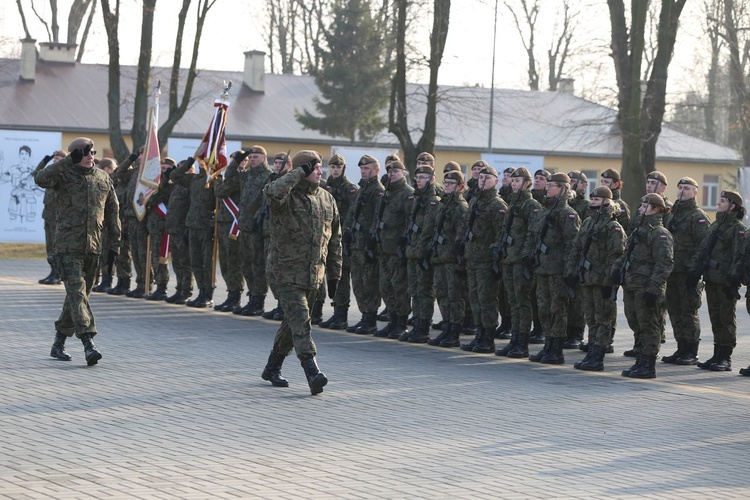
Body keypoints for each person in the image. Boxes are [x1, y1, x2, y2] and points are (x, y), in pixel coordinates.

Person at [260, 150, 342, 396]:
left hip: (313, 274)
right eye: (314, 168)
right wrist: (296, 172)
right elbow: (271, 192)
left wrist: (335, 274)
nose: (320, 171)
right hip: (285, 272)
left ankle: (272, 367)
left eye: (319, 167)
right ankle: (312, 371)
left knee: (293, 322)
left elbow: (336, 238)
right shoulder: (285, 197)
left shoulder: (327, 198)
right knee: (302, 321)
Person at [33, 137, 120, 365]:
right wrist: (65, 162)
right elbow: (40, 178)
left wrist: (115, 245)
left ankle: (58, 343)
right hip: (67, 247)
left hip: (93, 247)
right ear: (76, 155)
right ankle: (88, 343)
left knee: (77, 297)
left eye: (92, 151)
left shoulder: (103, 178)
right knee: (77, 294)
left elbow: (113, 213)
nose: (91, 155)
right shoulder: (63, 175)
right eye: (86, 152)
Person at [522, 173, 581, 364]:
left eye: (552, 186)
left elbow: (573, 245)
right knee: (544, 309)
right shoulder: (543, 211)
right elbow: (532, 235)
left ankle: (556, 349)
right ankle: (548, 345)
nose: (547, 188)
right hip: (542, 268)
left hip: (558, 270)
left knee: (557, 310)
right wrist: (528, 256)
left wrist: (569, 270)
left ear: (563, 189)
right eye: (547, 185)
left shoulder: (568, 214)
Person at [565, 186, 625, 371]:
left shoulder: (613, 227)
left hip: (601, 281)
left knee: (602, 318)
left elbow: (615, 256)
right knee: (590, 317)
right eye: (592, 199)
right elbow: (577, 248)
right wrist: (572, 271)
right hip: (587, 278)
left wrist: (609, 282)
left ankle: (598, 355)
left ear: (607, 201)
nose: (593, 202)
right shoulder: (589, 222)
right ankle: (591, 351)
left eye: (597, 200)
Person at [614, 193, 673, 379]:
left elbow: (665, 263)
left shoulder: (660, 233)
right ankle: (640, 359)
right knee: (636, 322)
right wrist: (617, 271)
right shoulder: (639, 230)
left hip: (646, 287)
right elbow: (627, 253)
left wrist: (653, 288)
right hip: (632, 284)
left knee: (649, 325)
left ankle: (648, 363)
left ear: (655, 209)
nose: (640, 209)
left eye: (644, 206)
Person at [688, 190, 746, 372]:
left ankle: (725, 357)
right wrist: (694, 273)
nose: (718, 204)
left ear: (733, 206)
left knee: (726, 318)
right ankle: (717, 353)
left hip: (725, 281)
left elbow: (739, 256)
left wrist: (733, 280)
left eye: (722, 201)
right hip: (712, 279)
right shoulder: (716, 226)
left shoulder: (737, 228)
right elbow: (703, 250)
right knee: (715, 317)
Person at [661, 177, 710, 365]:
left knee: (688, 312)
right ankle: (681, 348)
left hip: (688, 273)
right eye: (680, 187)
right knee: (674, 310)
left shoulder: (697, 216)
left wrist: (695, 272)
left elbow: (703, 247)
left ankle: (691, 350)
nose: (682, 191)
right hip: (672, 271)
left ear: (695, 192)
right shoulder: (673, 214)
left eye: (687, 188)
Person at [328, 154, 380, 332]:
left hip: (366, 244)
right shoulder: (363, 189)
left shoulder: (374, 191)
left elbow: (377, 218)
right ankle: (353, 315)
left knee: (367, 282)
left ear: (376, 169)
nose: (363, 171)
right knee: (356, 282)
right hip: (352, 241)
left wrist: (371, 242)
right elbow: (352, 214)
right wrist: (348, 232)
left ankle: (369, 319)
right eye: (362, 168)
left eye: (367, 168)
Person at [494, 167, 542, 358]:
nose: (514, 184)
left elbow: (532, 234)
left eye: (517, 181)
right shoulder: (512, 204)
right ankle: (514, 340)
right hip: (509, 259)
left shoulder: (531, 206)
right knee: (513, 302)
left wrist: (526, 256)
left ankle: (522, 343)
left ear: (527, 183)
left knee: (522, 301)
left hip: (520, 260)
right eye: (512, 181)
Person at [459, 166, 507, 354]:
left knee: (487, 299)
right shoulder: (475, 201)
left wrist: (495, 258)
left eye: (487, 178)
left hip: (486, 260)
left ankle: (488, 337)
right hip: (472, 258)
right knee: (475, 298)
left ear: (496, 181)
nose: (482, 180)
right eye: (480, 178)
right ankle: (479, 335)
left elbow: (501, 234)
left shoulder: (497, 205)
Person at [223, 147, 271, 316]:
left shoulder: (268, 176)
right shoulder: (247, 175)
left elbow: (267, 202)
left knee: (258, 265)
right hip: (243, 226)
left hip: (257, 228)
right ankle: (251, 298)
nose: (252, 159)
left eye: (255, 157)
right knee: (246, 264)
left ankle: (258, 301)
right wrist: (237, 160)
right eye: (250, 157)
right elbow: (229, 178)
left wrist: (259, 220)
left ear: (264, 158)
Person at [427, 167, 469, 347]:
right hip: (440, 257)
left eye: (451, 183)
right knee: (442, 295)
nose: (447, 186)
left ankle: (454, 331)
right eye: (445, 183)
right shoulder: (442, 205)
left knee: (454, 296)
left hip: (451, 259)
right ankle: (446, 326)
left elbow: (461, 236)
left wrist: (458, 259)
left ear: (460, 186)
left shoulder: (461, 207)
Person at [373, 159, 414, 339]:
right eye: (390, 172)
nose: (392, 175)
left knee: (399, 287)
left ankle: (401, 322)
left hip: (397, 249)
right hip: (384, 247)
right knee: (386, 286)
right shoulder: (387, 193)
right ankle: (392, 319)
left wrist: (403, 244)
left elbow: (409, 221)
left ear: (403, 173)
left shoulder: (407, 194)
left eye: (396, 172)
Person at [170, 156, 217, 308]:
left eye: (205, 161)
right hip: (192, 224)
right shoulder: (193, 179)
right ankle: (201, 292)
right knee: (196, 262)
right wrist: (188, 163)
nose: (202, 164)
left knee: (206, 263)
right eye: (200, 162)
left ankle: (208, 294)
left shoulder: (214, 180)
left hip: (206, 225)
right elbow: (174, 176)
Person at [403, 160, 441, 343]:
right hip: (413, 251)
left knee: (424, 291)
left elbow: (428, 230)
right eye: (417, 177)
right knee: (415, 290)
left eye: (423, 177)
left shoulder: (433, 202)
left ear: (432, 179)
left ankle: (423, 326)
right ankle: (417, 323)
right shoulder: (418, 199)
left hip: (422, 253)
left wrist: (422, 250)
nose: (419, 180)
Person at [212, 152, 245, 312]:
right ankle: (230, 294)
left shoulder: (240, 177)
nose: (233, 163)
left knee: (234, 263)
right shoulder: (230, 178)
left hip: (234, 225)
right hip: (224, 224)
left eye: (236, 161)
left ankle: (235, 297)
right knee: (225, 262)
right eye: (232, 161)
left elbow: (220, 192)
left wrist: (217, 182)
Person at [144, 157, 176, 301]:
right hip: (154, 226)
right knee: (155, 257)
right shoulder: (155, 183)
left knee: (162, 258)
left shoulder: (171, 184)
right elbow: (149, 200)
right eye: (161, 168)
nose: (162, 171)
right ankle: (157, 285)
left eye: (165, 169)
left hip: (164, 226)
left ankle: (162, 287)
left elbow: (158, 196)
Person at [36, 149, 66, 285]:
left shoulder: (64, 174)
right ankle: (53, 271)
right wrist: (44, 161)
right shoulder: (49, 174)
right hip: (48, 216)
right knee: (50, 247)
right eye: (54, 158)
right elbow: (36, 176)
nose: (55, 160)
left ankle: (58, 274)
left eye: (58, 158)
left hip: (59, 217)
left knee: (57, 246)